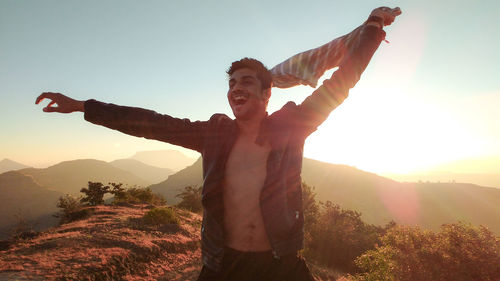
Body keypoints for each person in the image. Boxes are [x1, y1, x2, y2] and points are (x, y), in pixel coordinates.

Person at [36, 7, 401, 281]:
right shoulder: (213, 135)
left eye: (245, 82)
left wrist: (371, 28)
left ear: (266, 91)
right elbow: (149, 123)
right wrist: (85, 106)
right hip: (223, 265)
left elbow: (342, 82)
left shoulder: (292, 127)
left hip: (281, 265)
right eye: (231, 84)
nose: (236, 89)